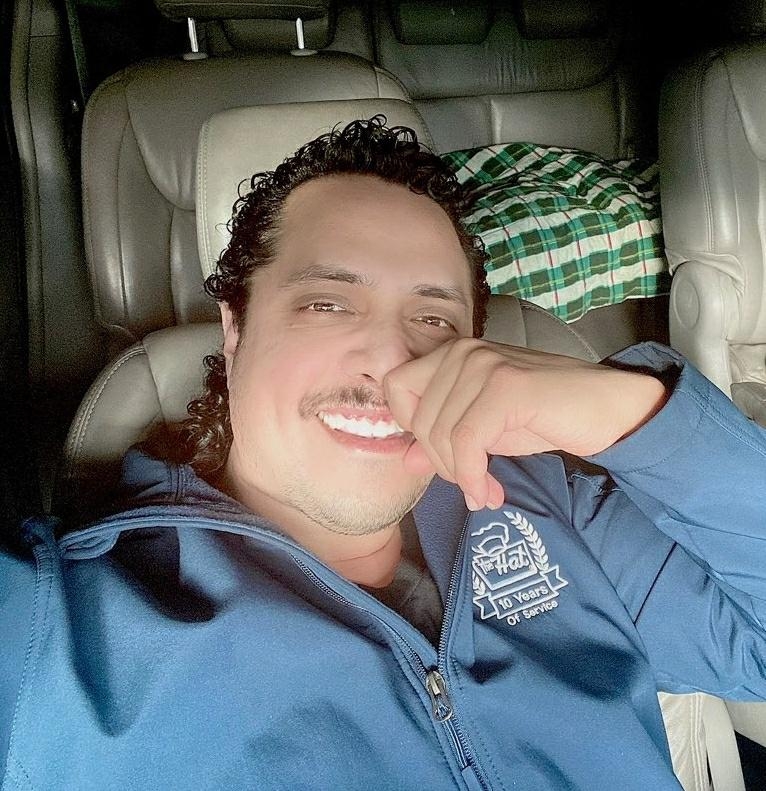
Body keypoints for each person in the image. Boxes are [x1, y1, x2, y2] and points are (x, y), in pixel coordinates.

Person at [1, 117, 765, 791]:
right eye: (326, 303)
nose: (387, 360)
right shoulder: (57, 623)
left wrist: (629, 408)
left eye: (433, 320)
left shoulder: (551, 509)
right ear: (235, 331)